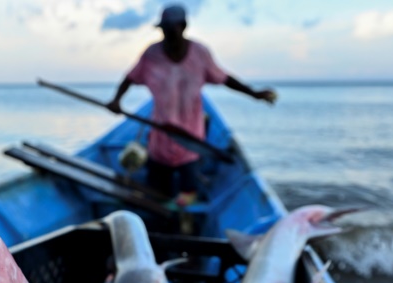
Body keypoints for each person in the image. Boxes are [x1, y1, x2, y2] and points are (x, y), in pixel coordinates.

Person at [106, 4, 277, 207]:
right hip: (160, 139)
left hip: (191, 141)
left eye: (172, 29)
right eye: (164, 30)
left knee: (188, 195)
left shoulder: (200, 53)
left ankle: (183, 213)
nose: (168, 35)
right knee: (157, 196)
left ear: (183, 26)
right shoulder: (151, 54)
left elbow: (224, 78)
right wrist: (116, 100)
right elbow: (130, 77)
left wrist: (254, 93)